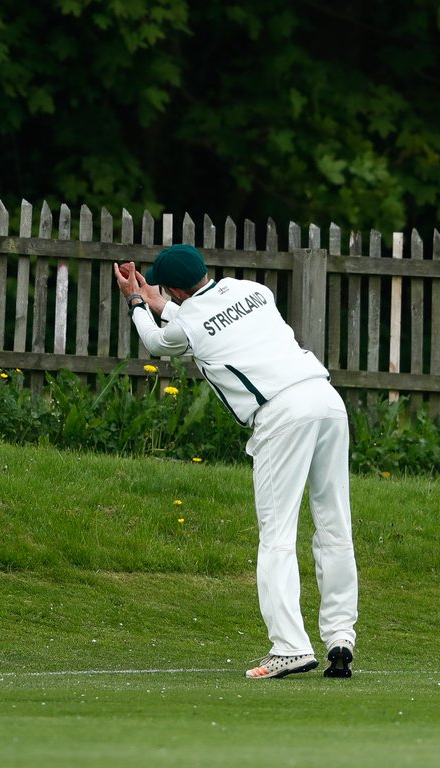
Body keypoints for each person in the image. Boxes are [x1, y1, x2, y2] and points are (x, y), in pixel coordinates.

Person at [113, 244, 358, 679]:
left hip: (281, 414)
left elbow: (158, 342)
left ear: (172, 288)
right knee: (334, 525)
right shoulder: (254, 290)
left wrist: (137, 301)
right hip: (326, 399)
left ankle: (290, 647)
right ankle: (340, 636)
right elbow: (209, 319)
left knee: (277, 534)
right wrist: (161, 301)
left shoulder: (186, 319)